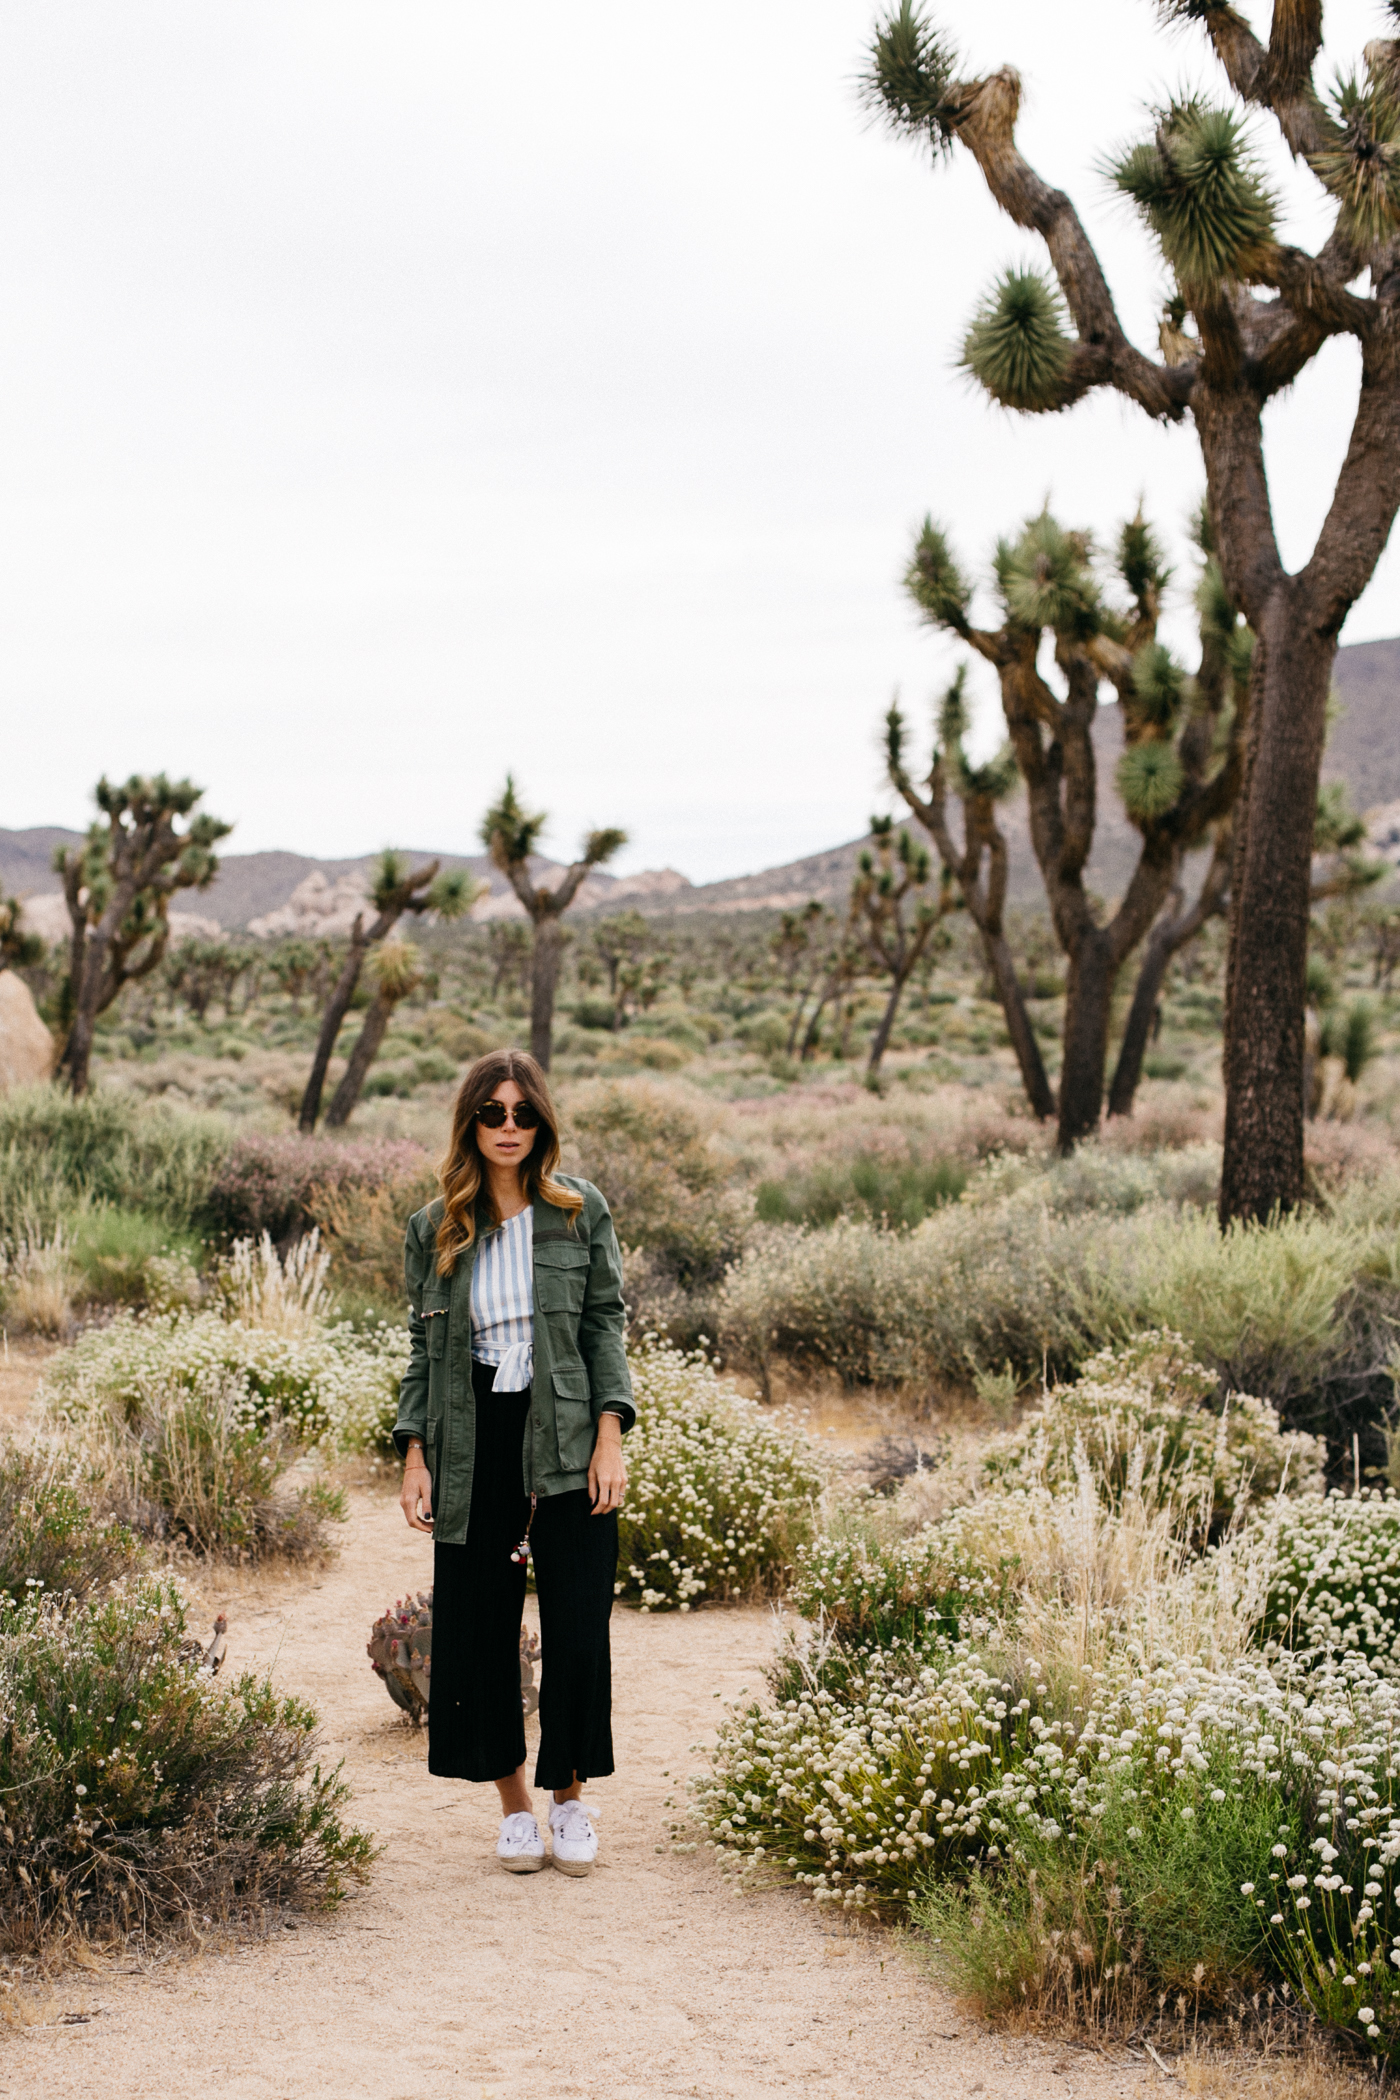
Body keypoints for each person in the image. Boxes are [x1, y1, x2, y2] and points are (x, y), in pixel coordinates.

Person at [393, 1048, 634, 1876]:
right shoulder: (436, 1227)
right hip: (471, 1438)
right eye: (492, 1114)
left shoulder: (577, 1211)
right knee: (478, 1628)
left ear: (542, 1122)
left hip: (566, 1434)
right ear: (470, 1123)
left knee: (575, 1625)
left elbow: (605, 1324)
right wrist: (415, 1454)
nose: (508, 1127)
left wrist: (612, 1434)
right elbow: (424, 1350)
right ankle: (516, 1810)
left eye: (522, 1113)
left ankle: (570, 1801)